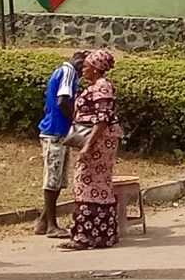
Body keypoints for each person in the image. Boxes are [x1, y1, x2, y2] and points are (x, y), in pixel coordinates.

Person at [61, 49, 123, 250]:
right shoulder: (98, 86)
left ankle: (85, 236)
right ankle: (102, 235)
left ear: (96, 68)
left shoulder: (102, 87)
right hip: (100, 141)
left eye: (86, 66)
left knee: (85, 182)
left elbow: (103, 118)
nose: (83, 69)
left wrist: (88, 145)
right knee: (100, 185)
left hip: (99, 142)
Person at [35, 50, 87, 237]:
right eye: (85, 68)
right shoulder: (68, 73)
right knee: (52, 180)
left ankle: (43, 222)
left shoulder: (63, 72)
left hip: (59, 133)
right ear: (80, 63)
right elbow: (62, 101)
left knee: (57, 181)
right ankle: (51, 226)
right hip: (55, 133)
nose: (84, 73)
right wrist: (76, 121)